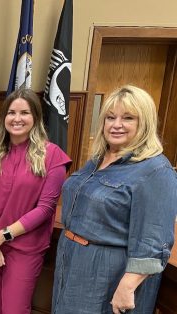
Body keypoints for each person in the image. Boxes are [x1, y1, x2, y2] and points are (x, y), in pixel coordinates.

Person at [52, 85, 177, 314]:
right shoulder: (99, 158)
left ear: (145, 123)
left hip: (108, 270)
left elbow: (154, 239)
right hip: (72, 260)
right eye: (110, 117)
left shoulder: (156, 170)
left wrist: (127, 286)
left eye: (128, 118)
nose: (116, 124)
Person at [0, 88, 71, 313]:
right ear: (4, 117)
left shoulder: (53, 155)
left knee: (14, 309)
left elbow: (45, 209)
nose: (17, 118)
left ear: (35, 118)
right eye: (11, 112)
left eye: (24, 113)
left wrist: (2, 236)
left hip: (25, 247)